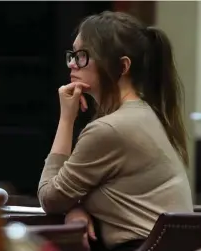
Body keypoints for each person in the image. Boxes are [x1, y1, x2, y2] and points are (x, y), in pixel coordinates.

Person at [37, 11, 193, 251]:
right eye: (72, 54)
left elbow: (50, 197)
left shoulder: (110, 129)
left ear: (122, 66)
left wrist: (66, 119)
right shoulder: (145, 114)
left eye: (82, 56)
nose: (71, 63)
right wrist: (77, 208)